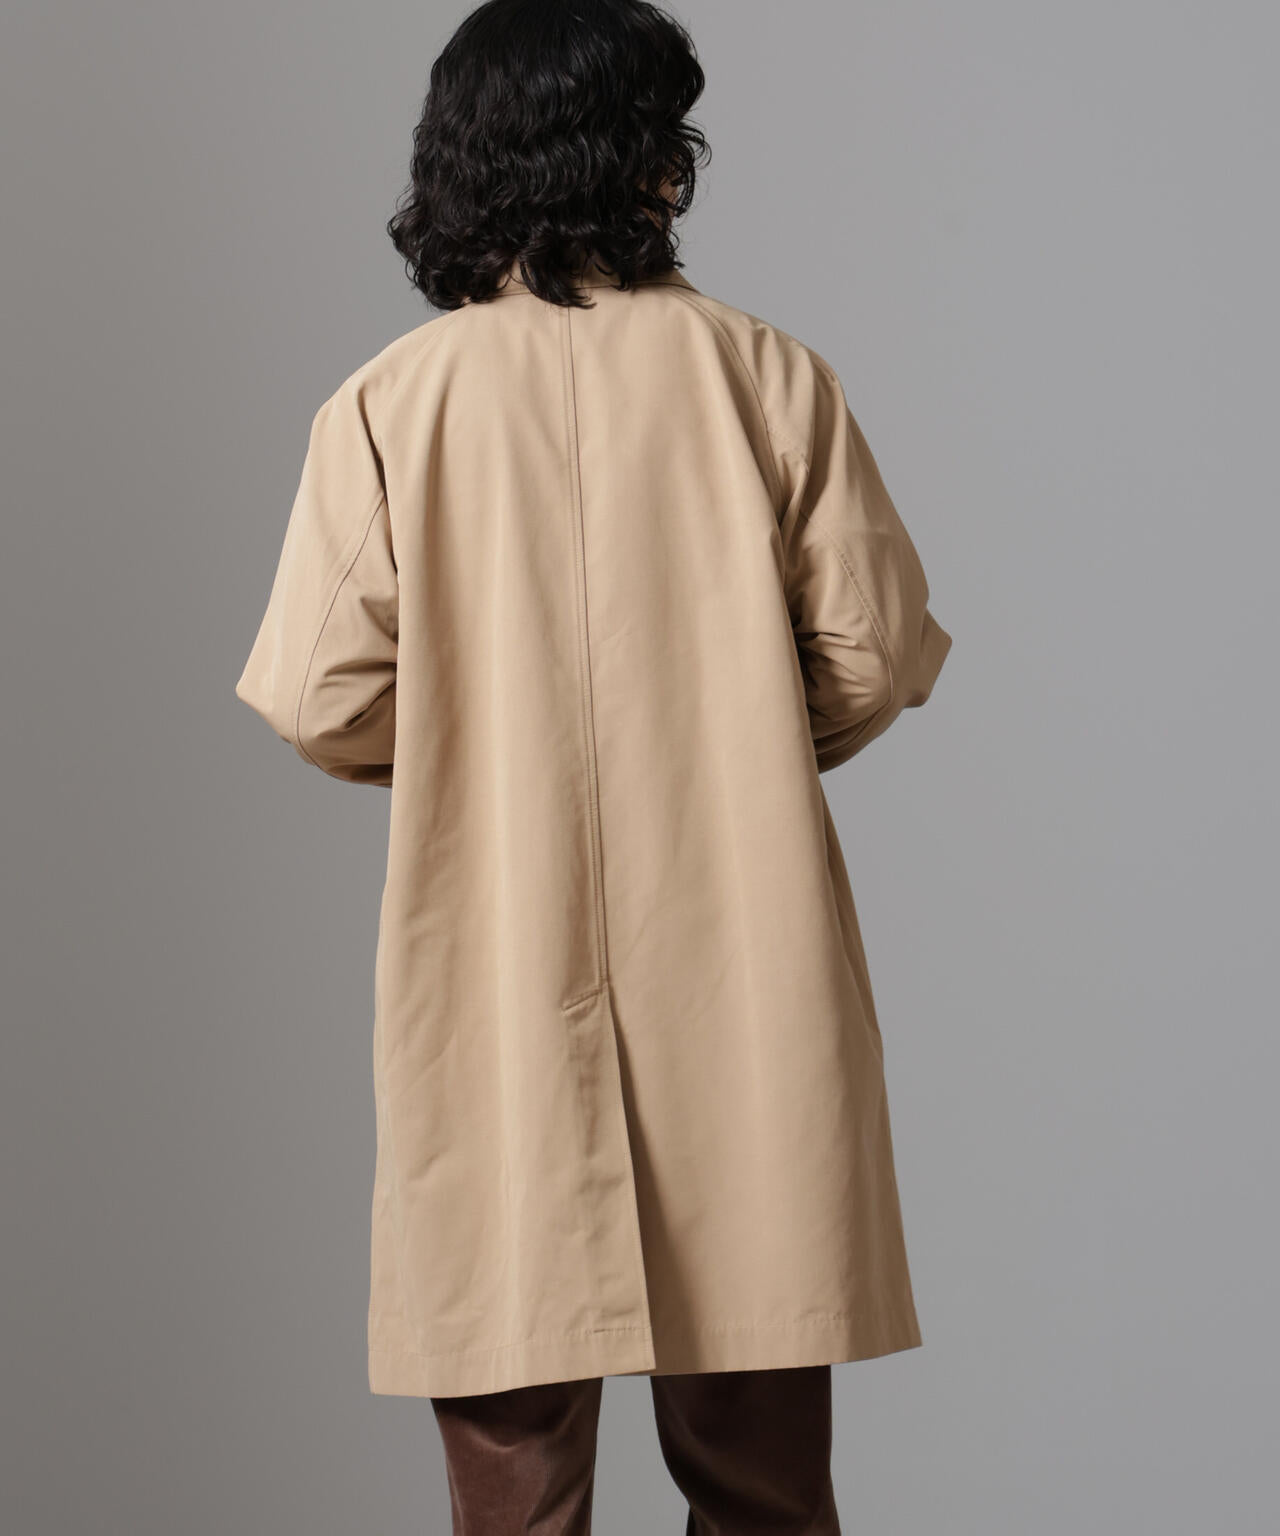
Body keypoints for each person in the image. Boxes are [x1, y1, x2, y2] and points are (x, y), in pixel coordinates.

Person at [234, 0, 953, 1530]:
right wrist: (740, 734)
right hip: (743, 975)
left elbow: (317, 697)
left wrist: (473, 748)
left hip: (497, 976)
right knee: (765, 1487)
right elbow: (876, 656)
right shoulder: (768, 379)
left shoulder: (391, 405)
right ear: (651, 162)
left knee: (513, 1483)